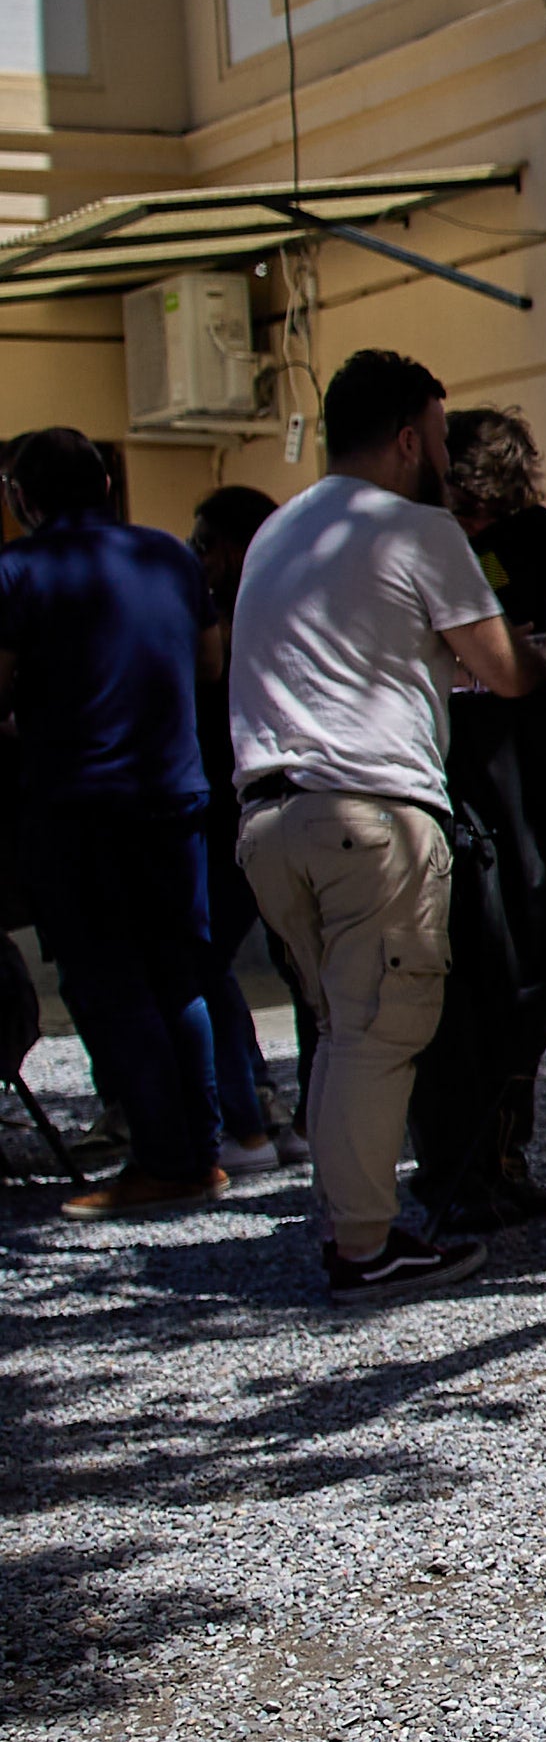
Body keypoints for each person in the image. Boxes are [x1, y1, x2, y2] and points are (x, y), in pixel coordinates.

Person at [229, 349, 546, 1300]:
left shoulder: (277, 531)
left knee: (338, 1027)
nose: (449, 461)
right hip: (370, 811)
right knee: (381, 1031)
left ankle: (347, 1222)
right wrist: (544, 662)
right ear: (410, 437)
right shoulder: (417, 528)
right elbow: (501, 669)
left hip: (268, 814)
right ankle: (365, 1246)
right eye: (442, 439)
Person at [0, 428, 229, 1219]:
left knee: (107, 981)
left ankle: (162, 1158)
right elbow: (208, 662)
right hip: (173, 788)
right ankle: (203, 1149)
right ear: (103, 482)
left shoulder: (17, 570)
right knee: (179, 976)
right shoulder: (166, 555)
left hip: (78, 800)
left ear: (22, 498)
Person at [186, 485, 300, 1174]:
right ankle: (274, 1108)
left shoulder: (232, 620)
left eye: (204, 545)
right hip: (272, 800)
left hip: (243, 805)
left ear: (232, 546)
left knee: (206, 959)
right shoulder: (291, 602)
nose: (198, 559)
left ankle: (252, 1116)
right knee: (294, 965)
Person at [446, 408, 546, 636]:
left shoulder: (538, 530)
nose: (477, 525)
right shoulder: (435, 536)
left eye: (493, 512)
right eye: (462, 510)